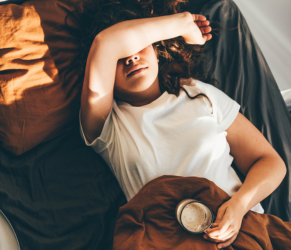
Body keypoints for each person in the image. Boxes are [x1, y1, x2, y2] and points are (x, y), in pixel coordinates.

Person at [74, 0, 287, 248]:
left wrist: (239, 206)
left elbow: (270, 162)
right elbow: (105, 43)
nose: (131, 57)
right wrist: (183, 23)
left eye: (138, 46)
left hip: (241, 229)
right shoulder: (107, 126)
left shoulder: (197, 93)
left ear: (156, 48)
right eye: (120, 57)